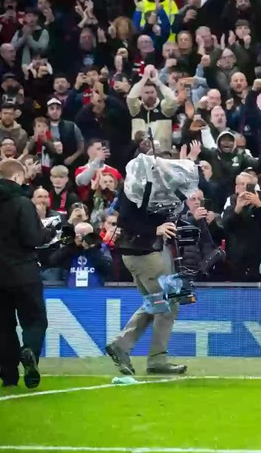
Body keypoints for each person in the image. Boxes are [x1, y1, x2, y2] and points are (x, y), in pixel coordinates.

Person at [105, 154, 194, 376]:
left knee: (155, 303)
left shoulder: (147, 186)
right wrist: (155, 229)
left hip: (138, 253)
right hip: (146, 253)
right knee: (168, 304)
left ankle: (129, 347)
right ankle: (150, 356)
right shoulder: (137, 188)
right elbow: (126, 220)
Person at [0, 159, 53, 389]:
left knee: (3, 326)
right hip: (24, 273)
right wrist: (48, 231)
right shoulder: (22, 203)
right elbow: (32, 239)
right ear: (17, 177)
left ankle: (9, 375)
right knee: (35, 321)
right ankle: (29, 350)